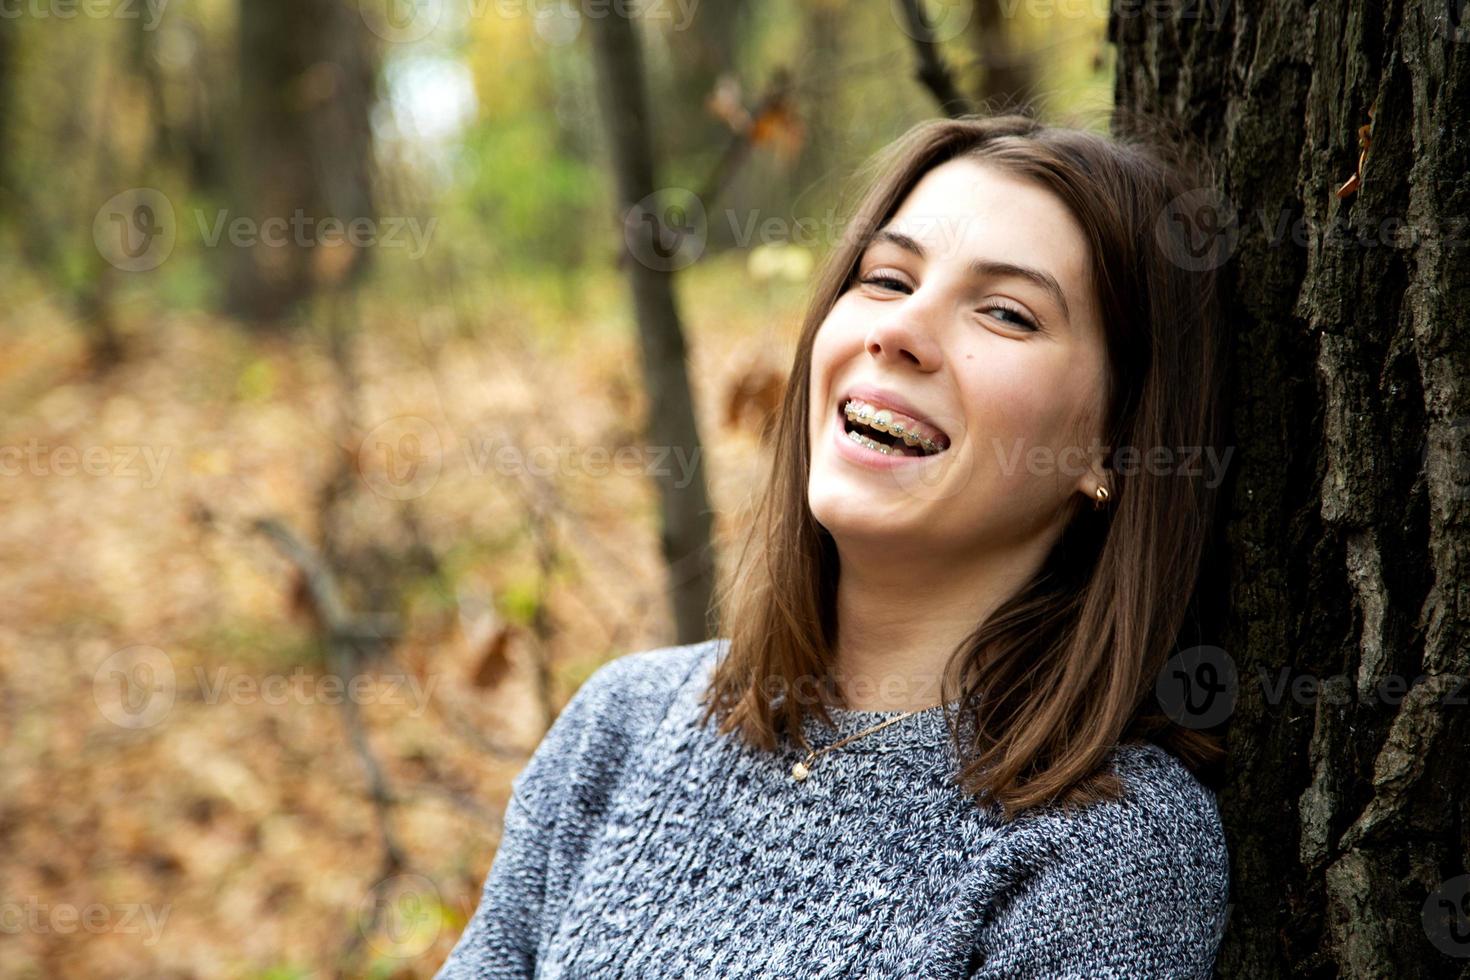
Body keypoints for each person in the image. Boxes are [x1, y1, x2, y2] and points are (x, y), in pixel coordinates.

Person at [434, 111, 1233, 978]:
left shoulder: (1108, 850)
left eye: (1005, 312)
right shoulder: (623, 724)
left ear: (1112, 443)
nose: (898, 332)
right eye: (887, 279)